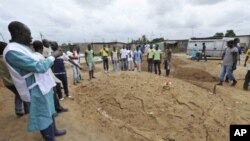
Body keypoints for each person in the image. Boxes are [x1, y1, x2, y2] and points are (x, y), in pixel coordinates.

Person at [3, 21, 66, 141]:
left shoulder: (23, 48)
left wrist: (49, 58)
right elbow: (39, 67)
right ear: (19, 33)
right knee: (43, 115)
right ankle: (49, 138)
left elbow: (38, 62)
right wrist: (54, 55)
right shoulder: (12, 51)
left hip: (42, 85)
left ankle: (54, 131)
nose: (31, 37)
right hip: (34, 89)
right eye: (28, 33)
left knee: (50, 110)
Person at [33, 40, 68, 114]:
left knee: (52, 95)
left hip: (44, 81)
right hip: (46, 80)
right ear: (42, 48)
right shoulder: (42, 57)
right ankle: (56, 110)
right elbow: (46, 66)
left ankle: (55, 109)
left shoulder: (35, 56)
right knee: (53, 94)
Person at [0, 41, 29, 117]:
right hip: (14, 81)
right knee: (22, 94)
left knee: (19, 94)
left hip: (7, 83)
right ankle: (23, 110)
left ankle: (21, 109)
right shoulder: (6, 58)